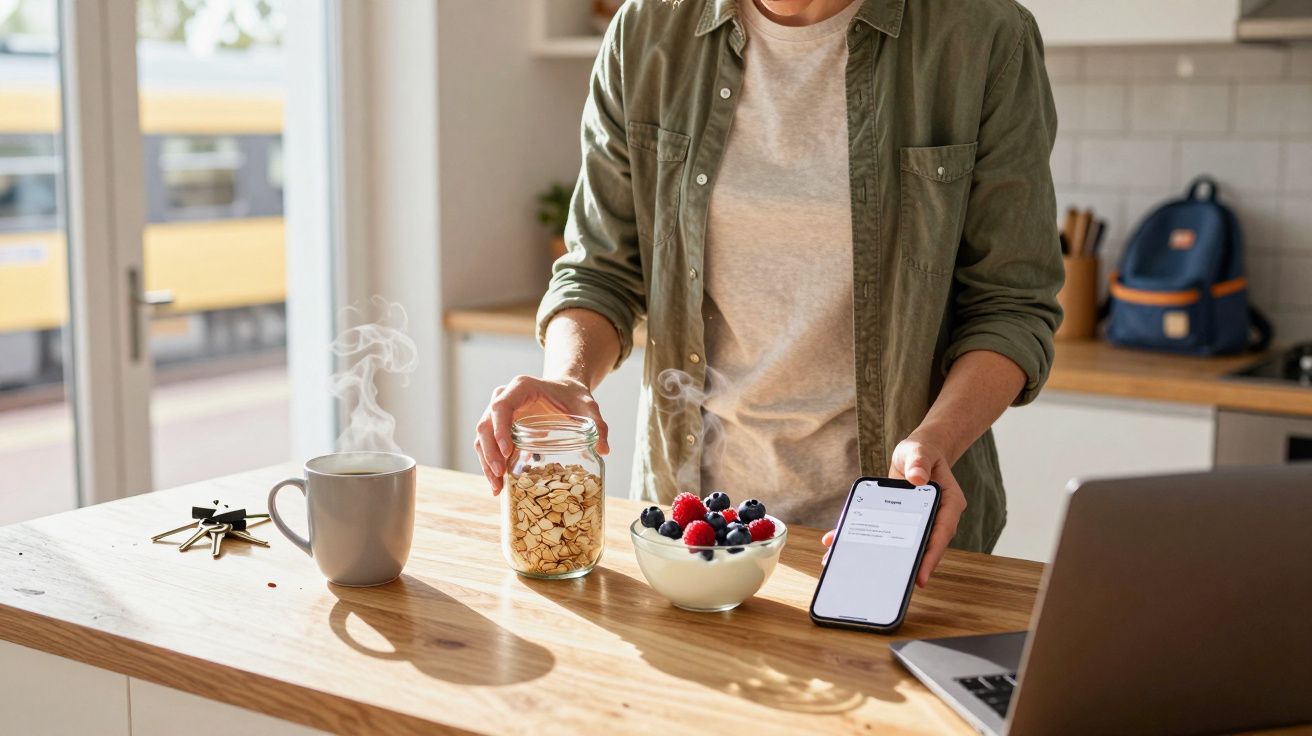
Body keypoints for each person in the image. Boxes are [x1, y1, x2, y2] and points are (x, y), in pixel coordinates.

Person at [476, 0, 1062, 585]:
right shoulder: (648, 31)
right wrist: (567, 378)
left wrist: (935, 440)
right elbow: (600, 269)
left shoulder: (981, 36)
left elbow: (1012, 304)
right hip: (692, 533)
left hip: (896, 526)